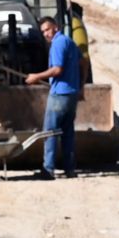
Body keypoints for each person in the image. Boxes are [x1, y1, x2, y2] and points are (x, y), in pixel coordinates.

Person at [25, 14, 82, 180]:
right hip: (71, 94)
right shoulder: (69, 42)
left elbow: (57, 69)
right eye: (43, 32)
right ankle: (70, 169)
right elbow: (82, 61)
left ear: (55, 27)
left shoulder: (57, 44)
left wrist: (36, 76)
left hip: (59, 95)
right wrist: (81, 85)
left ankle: (48, 169)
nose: (46, 34)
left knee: (49, 132)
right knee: (67, 133)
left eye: (48, 30)